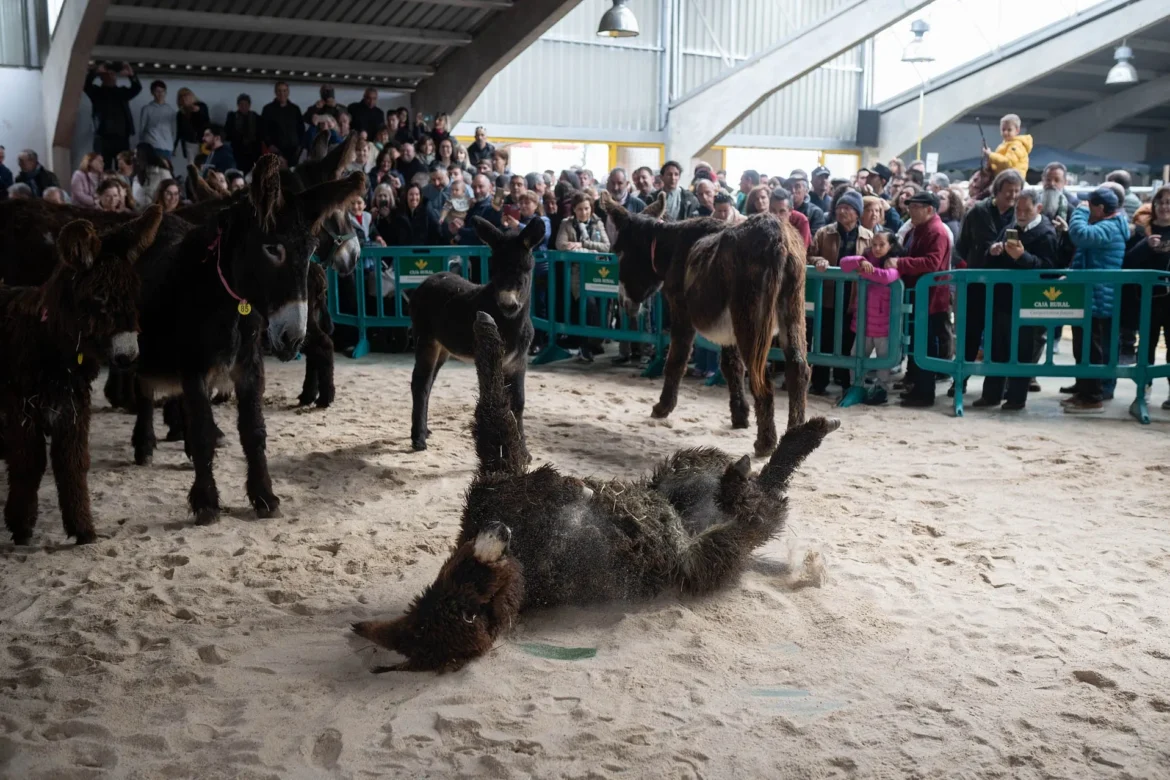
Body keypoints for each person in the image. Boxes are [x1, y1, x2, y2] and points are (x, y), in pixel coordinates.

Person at [973, 187, 1060, 410]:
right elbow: (991, 262)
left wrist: (1023, 257)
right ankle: (991, 394)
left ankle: (1016, 398)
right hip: (1001, 299)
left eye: (1026, 210)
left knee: (1022, 351)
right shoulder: (1010, 228)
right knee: (996, 348)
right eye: (1017, 210)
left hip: (1028, 304)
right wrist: (993, 252)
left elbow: (1049, 270)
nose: (1020, 214)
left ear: (1038, 208)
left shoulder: (1046, 233)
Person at [1059, 187, 1128, 414]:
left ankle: (1092, 397)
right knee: (1083, 346)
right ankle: (1084, 388)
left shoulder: (1109, 227)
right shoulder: (1106, 225)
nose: (1085, 207)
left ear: (1100, 208)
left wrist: (1077, 213)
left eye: (1089, 205)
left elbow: (1081, 235)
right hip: (1089, 295)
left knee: (1091, 348)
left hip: (1097, 297)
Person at [955, 169, 1022, 396]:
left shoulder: (1019, 215)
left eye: (1016, 191)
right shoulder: (977, 211)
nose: (1012, 196)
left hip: (1006, 288)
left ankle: (994, 388)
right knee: (969, 334)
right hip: (977, 283)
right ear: (997, 191)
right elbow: (961, 246)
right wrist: (981, 256)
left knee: (1000, 338)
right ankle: (960, 380)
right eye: (1008, 191)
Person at [890, 191, 952, 408]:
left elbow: (932, 262)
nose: (911, 210)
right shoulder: (917, 230)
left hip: (931, 298)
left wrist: (901, 263)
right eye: (911, 206)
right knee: (918, 343)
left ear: (930, 209)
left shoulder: (936, 232)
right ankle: (918, 387)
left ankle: (925, 393)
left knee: (926, 345)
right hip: (920, 295)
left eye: (916, 207)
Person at [808, 190, 870, 394]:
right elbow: (809, 255)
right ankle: (819, 382)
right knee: (824, 337)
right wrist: (818, 261)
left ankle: (845, 380)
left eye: (848, 208)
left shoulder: (868, 237)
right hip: (828, 295)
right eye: (840, 207)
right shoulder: (825, 233)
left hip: (855, 297)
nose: (842, 211)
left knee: (848, 339)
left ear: (858, 213)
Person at [838, 228, 902, 404]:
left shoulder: (894, 263)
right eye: (874, 244)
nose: (877, 248)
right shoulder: (865, 259)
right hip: (863, 322)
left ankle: (882, 388)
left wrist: (864, 271)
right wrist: (859, 261)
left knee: (883, 359)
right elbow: (844, 263)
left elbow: (886, 277)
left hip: (884, 324)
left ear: (891, 245)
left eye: (882, 244)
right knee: (856, 355)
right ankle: (855, 385)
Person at [1122, 185, 1170, 410]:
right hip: (1147, 301)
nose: (1164, 207)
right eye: (1160, 202)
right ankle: (1143, 392)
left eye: (1169, 202)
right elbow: (1128, 261)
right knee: (1146, 348)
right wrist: (1146, 246)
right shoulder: (1142, 231)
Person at [84, 62, 141, 167]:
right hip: (103, 137)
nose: (112, 77)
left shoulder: (121, 92)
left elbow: (136, 88)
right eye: (108, 74)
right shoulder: (97, 92)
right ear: (101, 78)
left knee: (124, 166)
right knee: (104, 168)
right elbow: (86, 85)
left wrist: (131, 75)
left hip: (122, 137)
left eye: (114, 74)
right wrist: (95, 72)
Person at [261, 82, 303, 168]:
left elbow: (301, 129)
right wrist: (271, 146)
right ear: (275, 92)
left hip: (294, 152)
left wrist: (300, 147)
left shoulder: (295, 109)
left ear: (288, 92)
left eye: (284, 90)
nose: (282, 93)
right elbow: (264, 130)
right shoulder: (268, 109)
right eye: (279, 91)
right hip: (276, 152)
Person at [459, 174, 501, 245]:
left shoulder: (493, 207)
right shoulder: (472, 205)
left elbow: (483, 232)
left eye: (481, 186)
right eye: (474, 187)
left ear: (490, 187)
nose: (477, 191)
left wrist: (460, 230)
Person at [139, 79, 175, 161]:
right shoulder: (147, 109)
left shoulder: (171, 110)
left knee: (164, 171)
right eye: (157, 91)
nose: (160, 94)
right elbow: (142, 128)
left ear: (165, 92)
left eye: (162, 91)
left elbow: (174, 130)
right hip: (151, 145)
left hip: (167, 146)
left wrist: (172, 145)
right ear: (152, 93)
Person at [225, 94, 261, 174]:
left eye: (246, 104)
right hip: (237, 151)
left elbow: (260, 134)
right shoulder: (232, 116)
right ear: (238, 105)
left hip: (253, 152)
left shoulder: (255, 117)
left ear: (249, 105)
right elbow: (227, 133)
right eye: (241, 104)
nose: (244, 107)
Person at [174, 88, 210, 164]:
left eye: (186, 96)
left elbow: (205, 118)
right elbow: (179, 131)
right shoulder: (180, 114)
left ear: (192, 96)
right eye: (182, 98)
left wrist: (196, 110)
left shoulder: (202, 106)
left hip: (203, 143)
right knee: (191, 166)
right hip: (189, 143)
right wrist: (175, 146)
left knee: (204, 165)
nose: (185, 99)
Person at [131, 143, 172, 208]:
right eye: (134, 154)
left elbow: (170, 194)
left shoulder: (162, 173)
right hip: (138, 215)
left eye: (138, 154)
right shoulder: (136, 177)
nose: (134, 157)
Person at [866, 163, 901, 231]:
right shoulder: (863, 195)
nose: (869, 178)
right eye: (869, 175)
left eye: (873, 176)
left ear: (883, 181)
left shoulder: (888, 202)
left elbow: (896, 226)